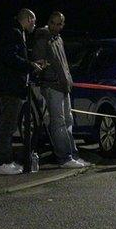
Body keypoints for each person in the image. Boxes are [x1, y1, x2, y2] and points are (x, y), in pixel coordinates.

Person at [33, 12, 90, 168]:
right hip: (53, 86)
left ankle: (72, 155)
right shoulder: (43, 38)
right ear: (49, 22)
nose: (55, 26)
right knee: (59, 122)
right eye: (53, 23)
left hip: (63, 85)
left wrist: (68, 80)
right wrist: (49, 77)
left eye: (59, 24)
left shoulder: (58, 39)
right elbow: (38, 62)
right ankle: (65, 157)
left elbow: (63, 63)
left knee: (68, 120)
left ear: (63, 25)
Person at [0, 9, 43, 175]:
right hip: (10, 87)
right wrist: (30, 65)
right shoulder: (14, 33)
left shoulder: (16, 32)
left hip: (10, 87)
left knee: (10, 124)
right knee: (8, 125)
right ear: (28, 19)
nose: (34, 25)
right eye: (33, 21)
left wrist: (31, 63)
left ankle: (6, 161)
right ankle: (3, 163)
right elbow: (10, 57)